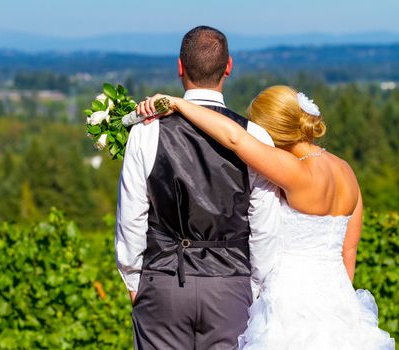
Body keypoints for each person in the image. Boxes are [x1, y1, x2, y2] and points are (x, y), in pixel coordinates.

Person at [138, 85, 395, 349]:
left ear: (272, 131)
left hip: (290, 302)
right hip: (340, 303)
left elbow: (235, 138)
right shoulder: (347, 172)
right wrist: (337, 304)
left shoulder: (296, 172)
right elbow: (348, 251)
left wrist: (179, 104)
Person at [115, 26, 280, 349]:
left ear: (180, 67)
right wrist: (255, 288)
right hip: (230, 286)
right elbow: (265, 227)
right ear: (228, 67)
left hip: (161, 281)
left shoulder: (146, 132)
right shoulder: (256, 138)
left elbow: (131, 215)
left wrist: (134, 279)